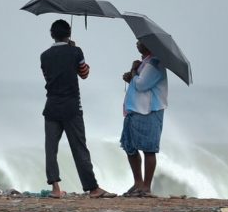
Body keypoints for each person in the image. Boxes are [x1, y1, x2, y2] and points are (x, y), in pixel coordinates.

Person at [41, 19, 116, 199]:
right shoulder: (75, 51)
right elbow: (84, 74)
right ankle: (92, 188)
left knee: (51, 148)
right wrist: (74, 51)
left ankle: (55, 189)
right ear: (69, 34)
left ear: (52, 34)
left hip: (51, 106)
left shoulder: (44, 55)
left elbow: (47, 77)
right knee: (79, 147)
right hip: (72, 106)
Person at [120, 39, 168, 197]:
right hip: (135, 109)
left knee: (148, 149)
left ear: (149, 45)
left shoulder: (155, 63)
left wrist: (134, 71)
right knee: (130, 147)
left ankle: (146, 186)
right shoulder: (146, 62)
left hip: (148, 110)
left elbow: (141, 84)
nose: (137, 43)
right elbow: (138, 81)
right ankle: (138, 182)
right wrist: (132, 74)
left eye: (141, 42)